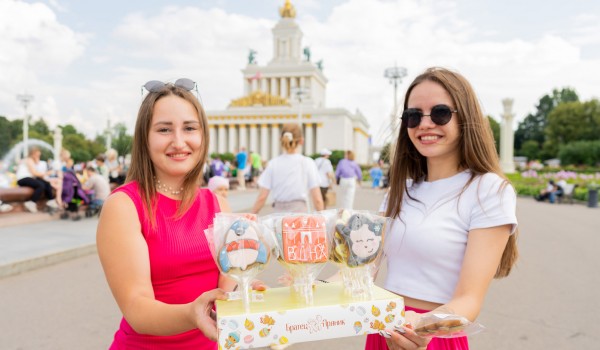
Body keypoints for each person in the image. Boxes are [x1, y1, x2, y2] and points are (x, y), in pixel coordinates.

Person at [365, 67, 518, 350]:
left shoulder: (489, 190)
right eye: (413, 116)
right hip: (385, 329)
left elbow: (469, 300)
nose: (424, 124)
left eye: (440, 113)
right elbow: (361, 271)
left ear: (466, 118)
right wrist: (302, 286)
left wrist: (421, 328)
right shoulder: (399, 191)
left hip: (433, 335)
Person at [96, 79, 253, 348]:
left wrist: (250, 284)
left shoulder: (218, 204)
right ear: (144, 138)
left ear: (202, 136)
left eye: (189, 128)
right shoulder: (124, 206)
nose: (179, 141)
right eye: (164, 129)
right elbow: (137, 309)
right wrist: (192, 313)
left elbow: (228, 290)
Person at [250, 123, 324, 214]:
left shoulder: (273, 163)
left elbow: (262, 198)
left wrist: (250, 217)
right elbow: (317, 200)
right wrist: (323, 220)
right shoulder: (308, 162)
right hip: (300, 216)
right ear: (301, 141)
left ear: (280, 140)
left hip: (278, 217)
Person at [15, 147, 59, 213]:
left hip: (30, 178)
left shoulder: (33, 161)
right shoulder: (28, 160)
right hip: (23, 178)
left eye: (39, 155)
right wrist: (47, 173)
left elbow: (38, 171)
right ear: (33, 154)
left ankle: (51, 200)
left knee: (46, 183)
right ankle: (31, 202)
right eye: (37, 155)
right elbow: (34, 173)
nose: (38, 156)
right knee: (40, 185)